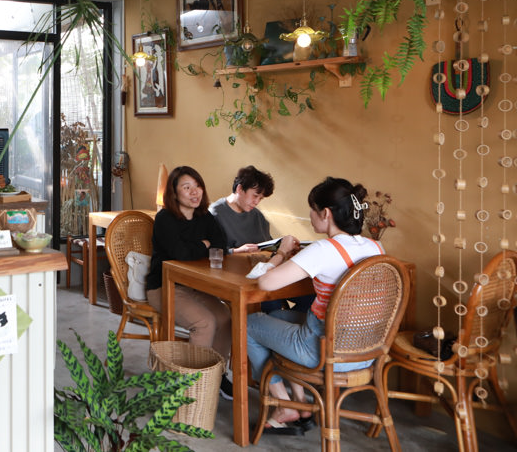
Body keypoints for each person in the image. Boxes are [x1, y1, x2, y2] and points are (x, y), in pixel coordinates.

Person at [247, 177, 385, 435]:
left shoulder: (323, 249)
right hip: (366, 353)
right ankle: (300, 401)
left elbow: (265, 283)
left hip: (325, 353)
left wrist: (281, 252)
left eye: (312, 209)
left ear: (325, 213)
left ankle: (286, 405)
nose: (309, 215)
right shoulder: (376, 247)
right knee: (280, 314)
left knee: (247, 324)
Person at [144, 165, 233, 399]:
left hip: (195, 285)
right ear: (174, 193)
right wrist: (203, 245)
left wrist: (204, 245)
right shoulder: (165, 218)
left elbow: (222, 244)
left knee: (225, 318)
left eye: (198, 186)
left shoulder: (205, 217)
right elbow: (179, 253)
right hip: (163, 286)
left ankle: (217, 375)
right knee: (204, 323)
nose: (195, 192)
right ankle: (194, 388)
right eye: (187, 187)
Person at [210, 166, 313, 314]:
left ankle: (284, 330)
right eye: (255, 196)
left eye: (260, 198)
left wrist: (285, 248)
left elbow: (268, 245)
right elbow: (210, 253)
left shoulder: (256, 215)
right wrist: (236, 251)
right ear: (239, 189)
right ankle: (273, 329)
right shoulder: (215, 213)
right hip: (238, 278)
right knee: (271, 301)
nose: (257, 202)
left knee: (311, 298)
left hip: (262, 273)